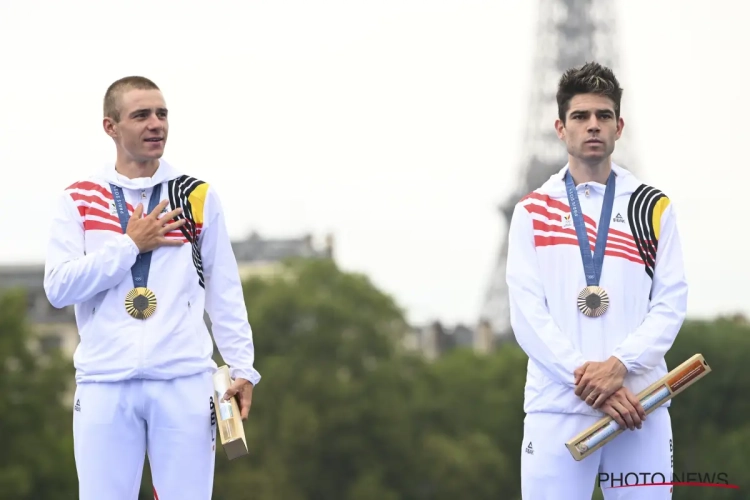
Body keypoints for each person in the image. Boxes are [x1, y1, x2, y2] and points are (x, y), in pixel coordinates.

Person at [43, 76, 261, 500]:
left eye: (162, 114)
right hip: (104, 383)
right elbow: (58, 287)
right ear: (111, 127)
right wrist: (129, 245)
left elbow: (224, 289)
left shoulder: (196, 196)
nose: (155, 124)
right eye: (141, 115)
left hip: (183, 381)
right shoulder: (79, 198)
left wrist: (242, 368)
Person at [506, 62, 688, 499]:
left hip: (638, 406)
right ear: (559, 127)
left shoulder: (653, 206)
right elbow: (528, 315)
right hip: (558, 407)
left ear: (619, 126)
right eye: (581, 116)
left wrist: (619, 367)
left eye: (603, 116)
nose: (593, 126)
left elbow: (671, 303)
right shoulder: (532, 210)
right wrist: (590, 384)